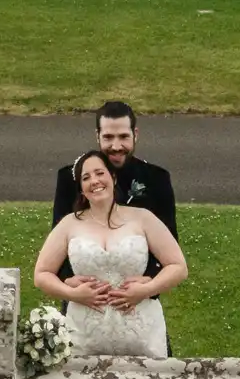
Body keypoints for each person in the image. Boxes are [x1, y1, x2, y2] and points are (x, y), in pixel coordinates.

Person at [33, 150, 187, 358]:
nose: (94, 181)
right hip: (85, 332)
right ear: (81, 189)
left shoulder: (142, 218)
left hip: (140, 330)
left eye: (99, 173)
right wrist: (72, 294)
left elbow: (178, 267)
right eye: (86, 178)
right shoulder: (69, 224)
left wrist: (147, 289)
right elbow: (41, 274)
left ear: (112, 177)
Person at [51, 101, 177, 284]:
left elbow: (170, 243)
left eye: (123, 137)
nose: (116, 146)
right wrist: (68, 281)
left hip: (137, 297)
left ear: (135, 134)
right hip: (83, 294)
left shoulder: (156, 179)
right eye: (108, 137)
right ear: (98, 136)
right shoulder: (70, 179)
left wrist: (149, 282)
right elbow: (58, 241)